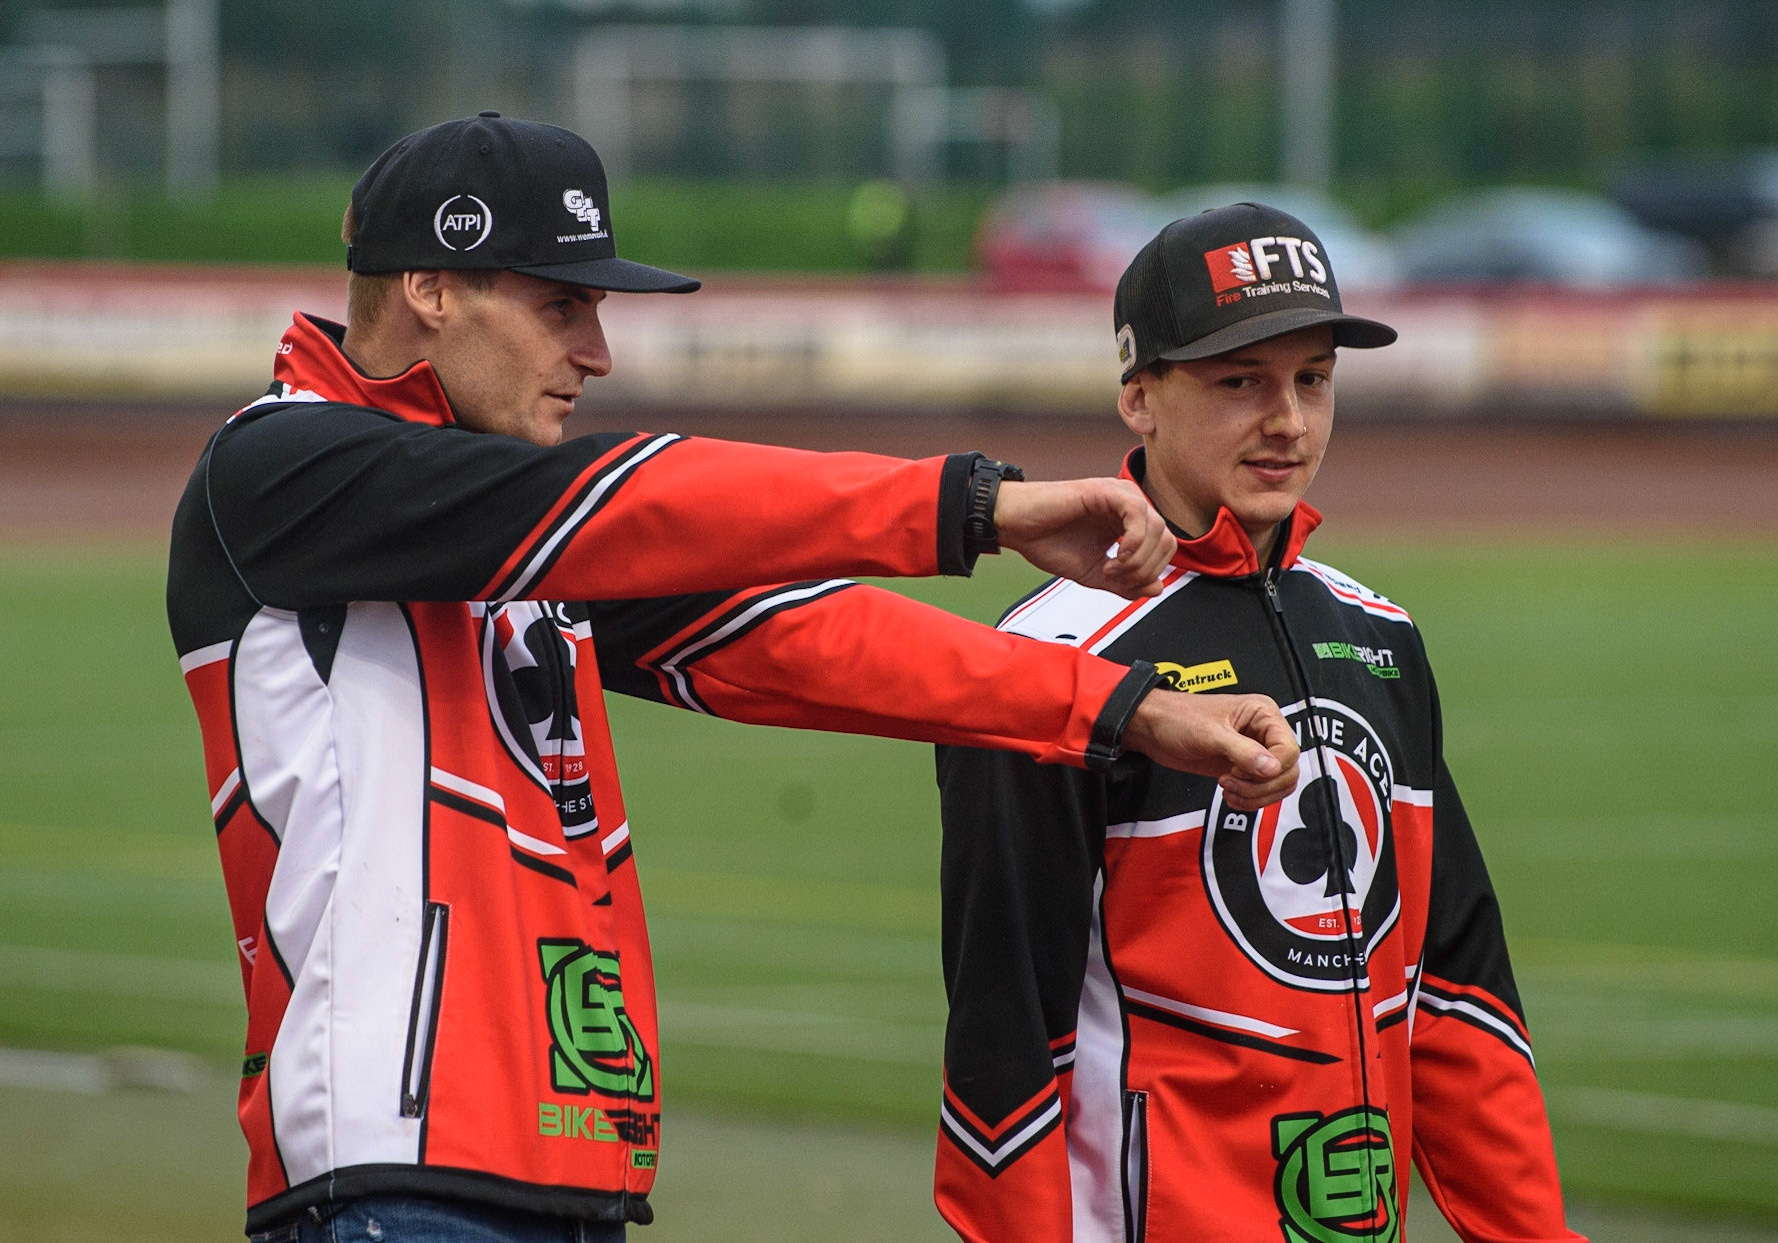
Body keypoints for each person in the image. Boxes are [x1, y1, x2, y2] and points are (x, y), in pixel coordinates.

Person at [166, 114, 1302, 1243]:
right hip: (385, 1183)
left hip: (554, 1179)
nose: (597, 352)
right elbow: (652, 498)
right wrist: (976, 506)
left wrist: (1133, 710)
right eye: (563, 305)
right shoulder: (280, 465)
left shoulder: (529, 528)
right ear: (431, 287)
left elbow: (810, 645)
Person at [933, 203, 1585, 1242]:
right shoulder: (1046, 661)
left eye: (1313, 379)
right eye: (1242, 381)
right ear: (1138, 398)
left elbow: (1455, 981)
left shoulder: (1380, 636)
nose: (1288, 420)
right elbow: (1005, 1028)